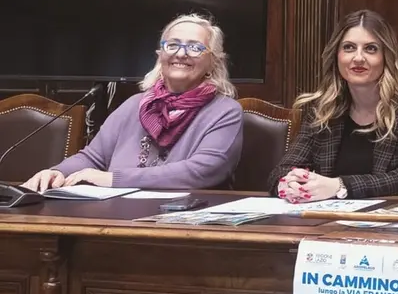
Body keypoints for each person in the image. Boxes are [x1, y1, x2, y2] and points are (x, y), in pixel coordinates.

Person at [23, 14, 243, 190]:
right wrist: (57, 172)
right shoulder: (134, 105)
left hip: (182, 219)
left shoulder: (224, 111)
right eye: (172, 45)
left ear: (213, 62)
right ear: (160, 55)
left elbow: (203, 170)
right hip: (117, 214)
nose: (181, 53)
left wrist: (114, 179)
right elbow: (93, 158)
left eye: (195, 47)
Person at [270, 10, 398, 202]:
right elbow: (282, 170)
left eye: (371, 49)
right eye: (349, 47)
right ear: (337, 55)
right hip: (331, 217)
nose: (358, 58)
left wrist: (340, 186)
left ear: (386, 56)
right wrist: (289, 183)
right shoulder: (323, 107)